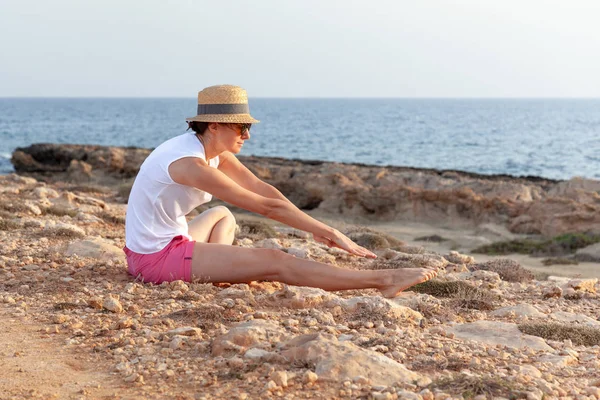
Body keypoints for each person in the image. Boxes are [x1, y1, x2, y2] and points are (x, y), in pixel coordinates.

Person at [123, 85, 437, 297]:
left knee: (222, 215)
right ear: (214, 125)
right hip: (155, 259)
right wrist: (329, 231)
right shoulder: (190, 164)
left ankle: (219, 271)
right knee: (276, 261)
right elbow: (267, 209)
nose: (247, 135)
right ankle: (385, 280)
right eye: (240, 127)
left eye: (248, 127)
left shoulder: (210, 151)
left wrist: (311, 225)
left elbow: (263, 189)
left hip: (169, 241)